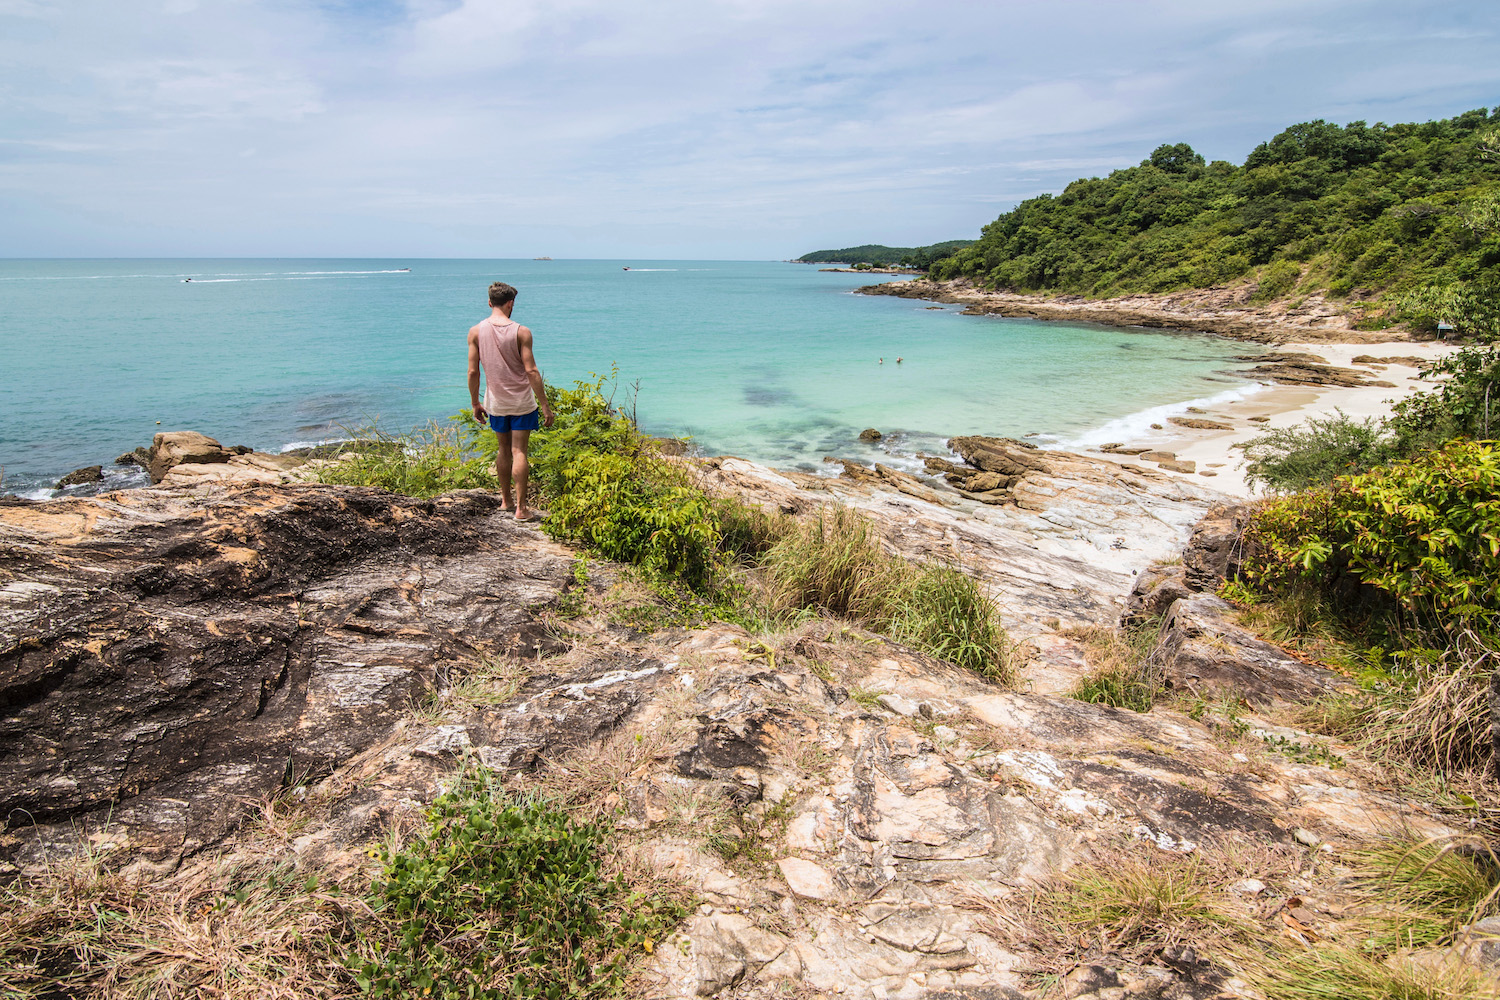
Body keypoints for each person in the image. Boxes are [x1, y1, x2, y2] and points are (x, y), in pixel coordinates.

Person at [468, 281, 556, 520]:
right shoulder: (521, 331)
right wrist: (545, 405)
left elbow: (473, 372)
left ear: (489, 302)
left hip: (495, 402)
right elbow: (532, 371)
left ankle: (505, 501)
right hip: (522, 402)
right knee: (519, 451)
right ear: (510, 303)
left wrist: (475, 402)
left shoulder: (476, 331)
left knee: (503, 450)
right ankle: (521, 508)